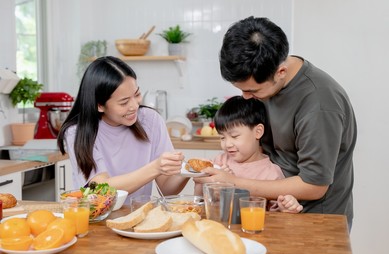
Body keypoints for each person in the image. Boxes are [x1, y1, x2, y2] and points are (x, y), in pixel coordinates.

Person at [196, 17, 357, 229]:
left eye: (252, 90)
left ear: (281, 72)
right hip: (275, 214)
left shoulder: (319, 104)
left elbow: (314, 186)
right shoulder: (269, 79)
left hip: (315, 221)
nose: (245, 97)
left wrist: (232, 183)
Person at [57, 56, 189, 203]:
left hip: (139, 217)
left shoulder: (150, 120)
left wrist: (190, 171)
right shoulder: (77, 132)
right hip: (97, 220)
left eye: (137, 94)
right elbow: (100, 188)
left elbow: (167, 188)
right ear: (99, 105)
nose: (134, 106)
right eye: (124, 102)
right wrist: (155, 168)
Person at [194, 95, 303, 213]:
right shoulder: (219, 162)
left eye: (234, 136)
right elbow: (199, 202)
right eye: (222, 137)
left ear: (258, 132)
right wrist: (201, 181)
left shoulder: (271, 173)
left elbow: (274, 215)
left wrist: (286, 207)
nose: (227, 144)